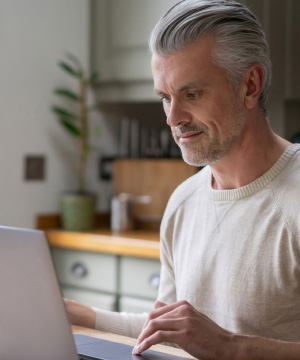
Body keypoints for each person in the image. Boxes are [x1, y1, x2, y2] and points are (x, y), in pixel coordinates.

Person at [65, 1, 300, 359]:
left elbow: (214, 342)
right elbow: (170, 330)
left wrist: (230, 347)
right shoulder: (183, 200)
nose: (173, 118)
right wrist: (85, 316)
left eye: (191, 94)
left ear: (250, 85)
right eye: (165, 97)